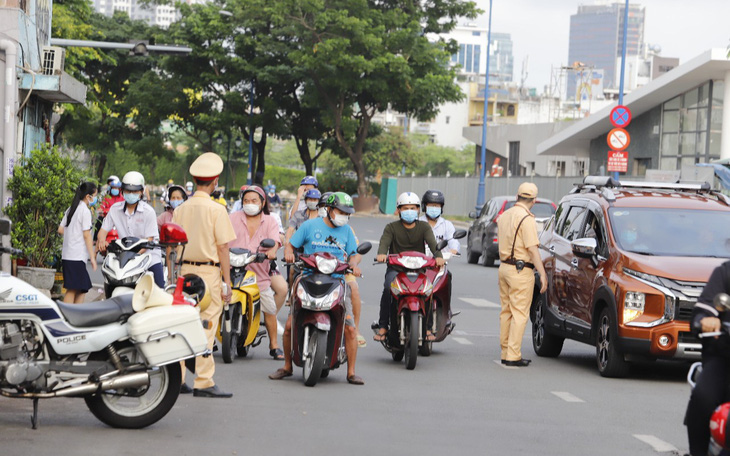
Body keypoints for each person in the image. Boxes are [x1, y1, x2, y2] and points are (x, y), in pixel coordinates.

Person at [270, 192, 364, 385]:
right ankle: (287, 366)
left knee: (351, 329)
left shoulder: (346, 231)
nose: (344, 216)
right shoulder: (309, 226)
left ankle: (351, 372)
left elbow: (354, 254)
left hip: (337, 280)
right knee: (289, 326)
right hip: (307, 278)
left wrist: (354, 264)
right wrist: (288, 253)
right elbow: (291, 245)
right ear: (328, 210)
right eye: (340, 211)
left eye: (347, 213)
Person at [173, 152, 236, 398]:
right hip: (208, 273)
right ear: (215, 181)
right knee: (207, 325)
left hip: (184, 271)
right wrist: (227, 282)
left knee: (182, 324)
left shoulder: (181, 209)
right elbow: (223, 248)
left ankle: (177, 378)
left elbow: (173, 246)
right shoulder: (217, 210)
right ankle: (203, 381)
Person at [374, 192, 444, 342]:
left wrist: (438, 256)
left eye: (413, 208)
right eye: (405, 208)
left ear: (418, 210)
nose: (409, 211)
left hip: (418, 270)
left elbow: (433, 244)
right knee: (388, 288)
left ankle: (427, 328)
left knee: (428, 291)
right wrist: (381, 254)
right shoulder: (391, 227)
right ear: (398, 210)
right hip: (396, 270)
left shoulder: (424, 227)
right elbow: (384, 244)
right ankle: (383, 326)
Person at [229, 185, 285, 360]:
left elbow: (276, 240)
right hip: (232, 270)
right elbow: (221, 238)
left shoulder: (270, 221)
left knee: (269, 307)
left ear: (262, 203)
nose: (249, 204)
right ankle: (210, 341)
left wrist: (272, 251)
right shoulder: (232, 218)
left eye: (254, 201)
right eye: (246, 201)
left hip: (259, 275)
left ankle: (274, 345)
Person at [496, 182, 548, 367]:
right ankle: (513, 355)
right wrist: (542, 273)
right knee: (519, 313)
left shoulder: (504, 216)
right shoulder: (527, 219)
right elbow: (532, 250)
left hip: (504, 267)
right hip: (520, 270)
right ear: (534, 200)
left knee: (506, 311)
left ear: (517, 196)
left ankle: (505, 351)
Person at [685, 260, 730, 456]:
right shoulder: (725, 273)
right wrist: (706, 320)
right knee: (703, 397)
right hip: (724, 358)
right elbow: (704, 310)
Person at [96, 171, 165, 288]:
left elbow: (149, 239)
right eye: (128, 190)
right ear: (122, 191)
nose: (131, 194)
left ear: (141, 192)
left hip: (148, 256)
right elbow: (103, 230)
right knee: (111, 283)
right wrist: (102, 241)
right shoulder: (115, 209)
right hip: (124, 256)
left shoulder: (149, 212)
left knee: (158, 288)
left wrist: (133, 257)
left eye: (135, 191)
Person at [58, 182, 98, 304]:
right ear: (88, 197)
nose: (95, 198)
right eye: (94, 195)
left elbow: (60, 230)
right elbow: (87, 235)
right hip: (76, 256)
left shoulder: (71, 209)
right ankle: (66, 315)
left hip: (68, 255)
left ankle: (76, 314)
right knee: (73, 289)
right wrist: (93, 257)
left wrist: (72, 233)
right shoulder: (84, 211)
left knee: (83, 288)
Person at [419, 189, 460, 256]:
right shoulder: (418, 222)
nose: (434, 208)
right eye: (431, 205)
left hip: (442, 260)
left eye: (437, 206)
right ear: (424, 206)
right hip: (421, 260)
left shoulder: (447, 225)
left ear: (441, 208)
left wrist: (454, 249)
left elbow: (452, 239)